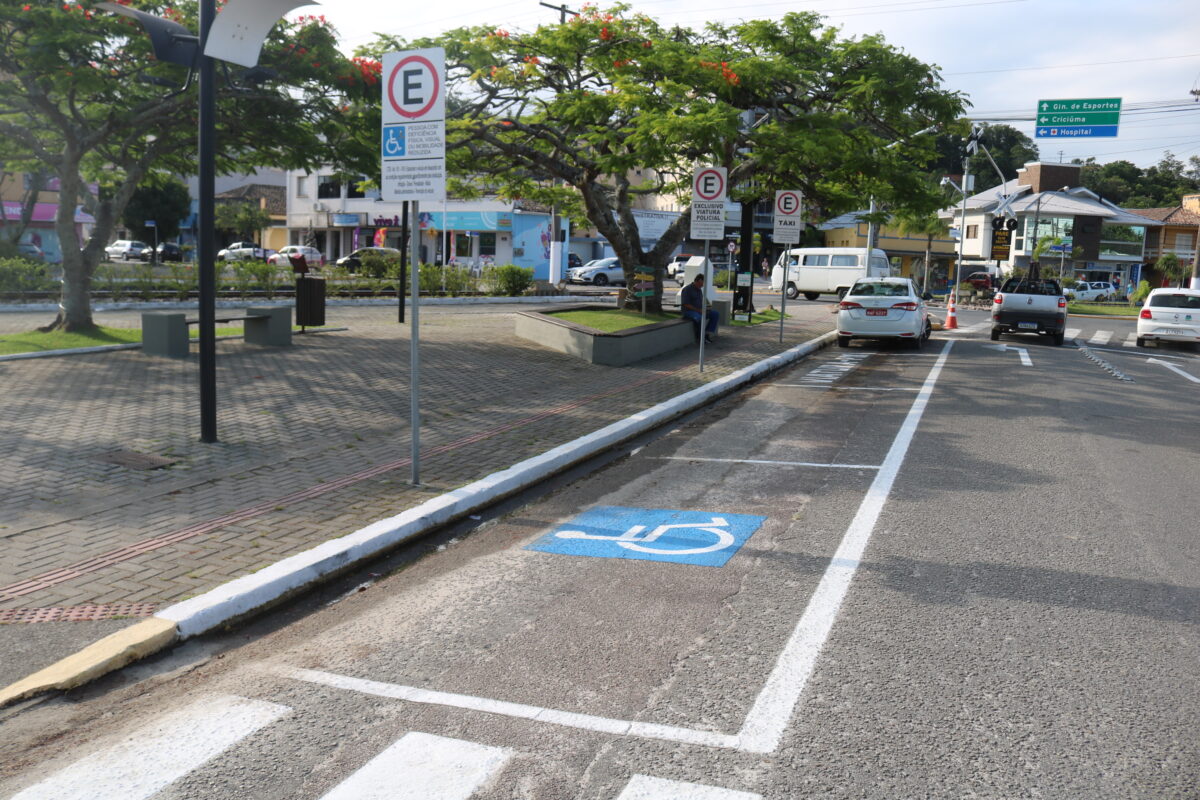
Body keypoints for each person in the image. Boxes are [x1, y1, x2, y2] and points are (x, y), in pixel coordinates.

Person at [681, 273, 719, 344]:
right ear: (699, 280)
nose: (703, 285)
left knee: (715, 314)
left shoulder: (699, 290)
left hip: (699, 310)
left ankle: (707, 334)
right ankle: (700, 337)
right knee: (699, 317)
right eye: (702, 283)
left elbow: (701, 302)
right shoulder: (687, 289)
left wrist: (706, 308)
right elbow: (686, 304)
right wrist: (698, 310)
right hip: (689, 312)